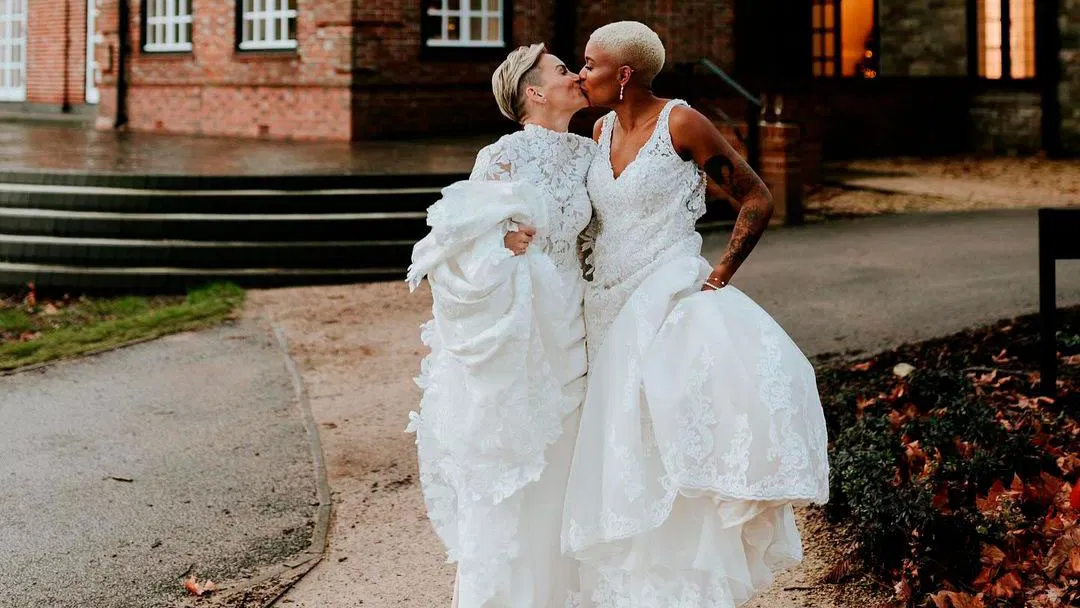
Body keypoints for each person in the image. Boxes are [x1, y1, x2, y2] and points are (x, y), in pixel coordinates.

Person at [563, 21, 831, 606]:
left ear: (624, 72)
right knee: (622, 446)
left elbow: (757, 197)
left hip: (665, 301)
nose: (581, 73)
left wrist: (720, 274)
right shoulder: (599, 127)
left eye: (589, 63)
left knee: (669, 444)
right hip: (605, 307)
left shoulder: (682, 122)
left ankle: (687, 590)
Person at [406, 43, 594, 607]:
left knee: (568, 459)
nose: (576, 76)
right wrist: (500, 242)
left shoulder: (591, 151)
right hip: (526, 323)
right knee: (520, 456)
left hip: (578, 316)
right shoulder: (502, 156)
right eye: (564, 71)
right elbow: (455, 239)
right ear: (534, 92)